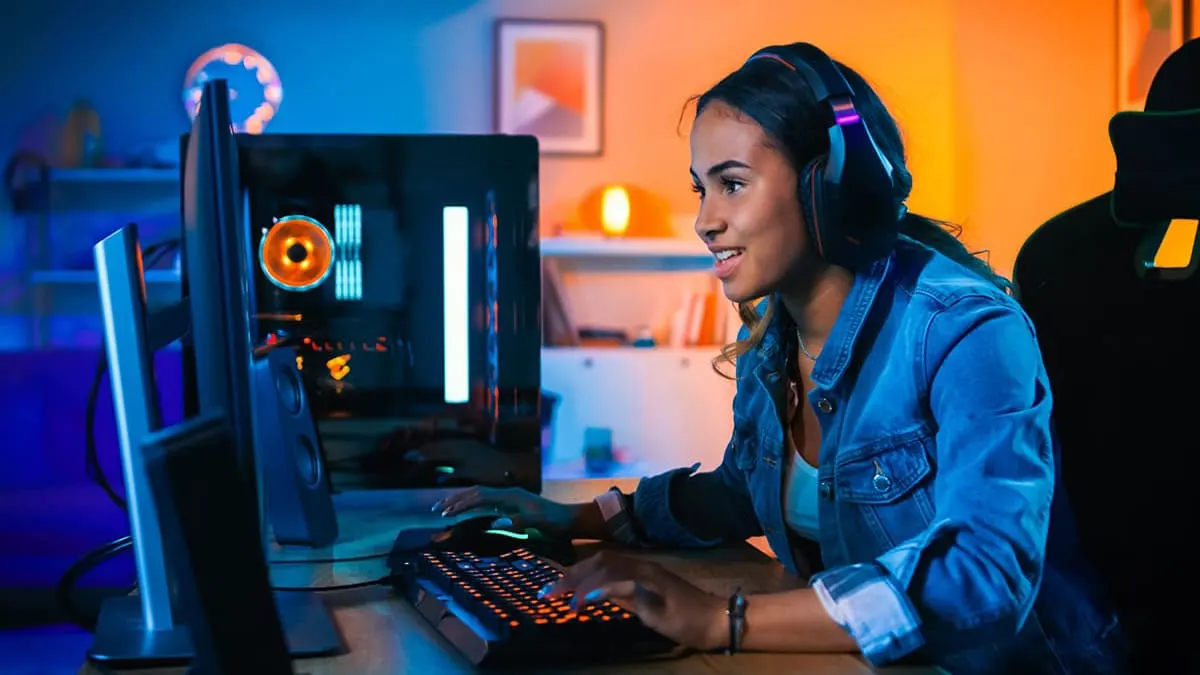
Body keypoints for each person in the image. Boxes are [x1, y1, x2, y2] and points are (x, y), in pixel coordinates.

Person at [434, 43, 1126, 675]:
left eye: (732, 183)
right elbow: (741, 491)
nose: (705, 220)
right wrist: (576, 520)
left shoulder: (966, 330)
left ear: (830, 187)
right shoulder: (774, 334)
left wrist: (722, 619)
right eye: (700, 188)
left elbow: (984, 576)